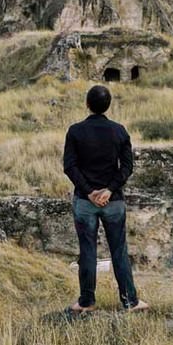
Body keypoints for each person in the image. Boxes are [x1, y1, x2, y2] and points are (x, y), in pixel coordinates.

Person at [63, 84, 149, 313]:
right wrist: (109, 190)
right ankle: (130, 301)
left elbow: (70, 166)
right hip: (113, 201)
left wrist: (89, 192)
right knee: (119, 250)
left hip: (85, 201)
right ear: (108, 105)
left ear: (87, 104)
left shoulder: (75, 131)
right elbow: (127, 167)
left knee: (87, 251)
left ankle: (86, 302)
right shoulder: (119, 131)